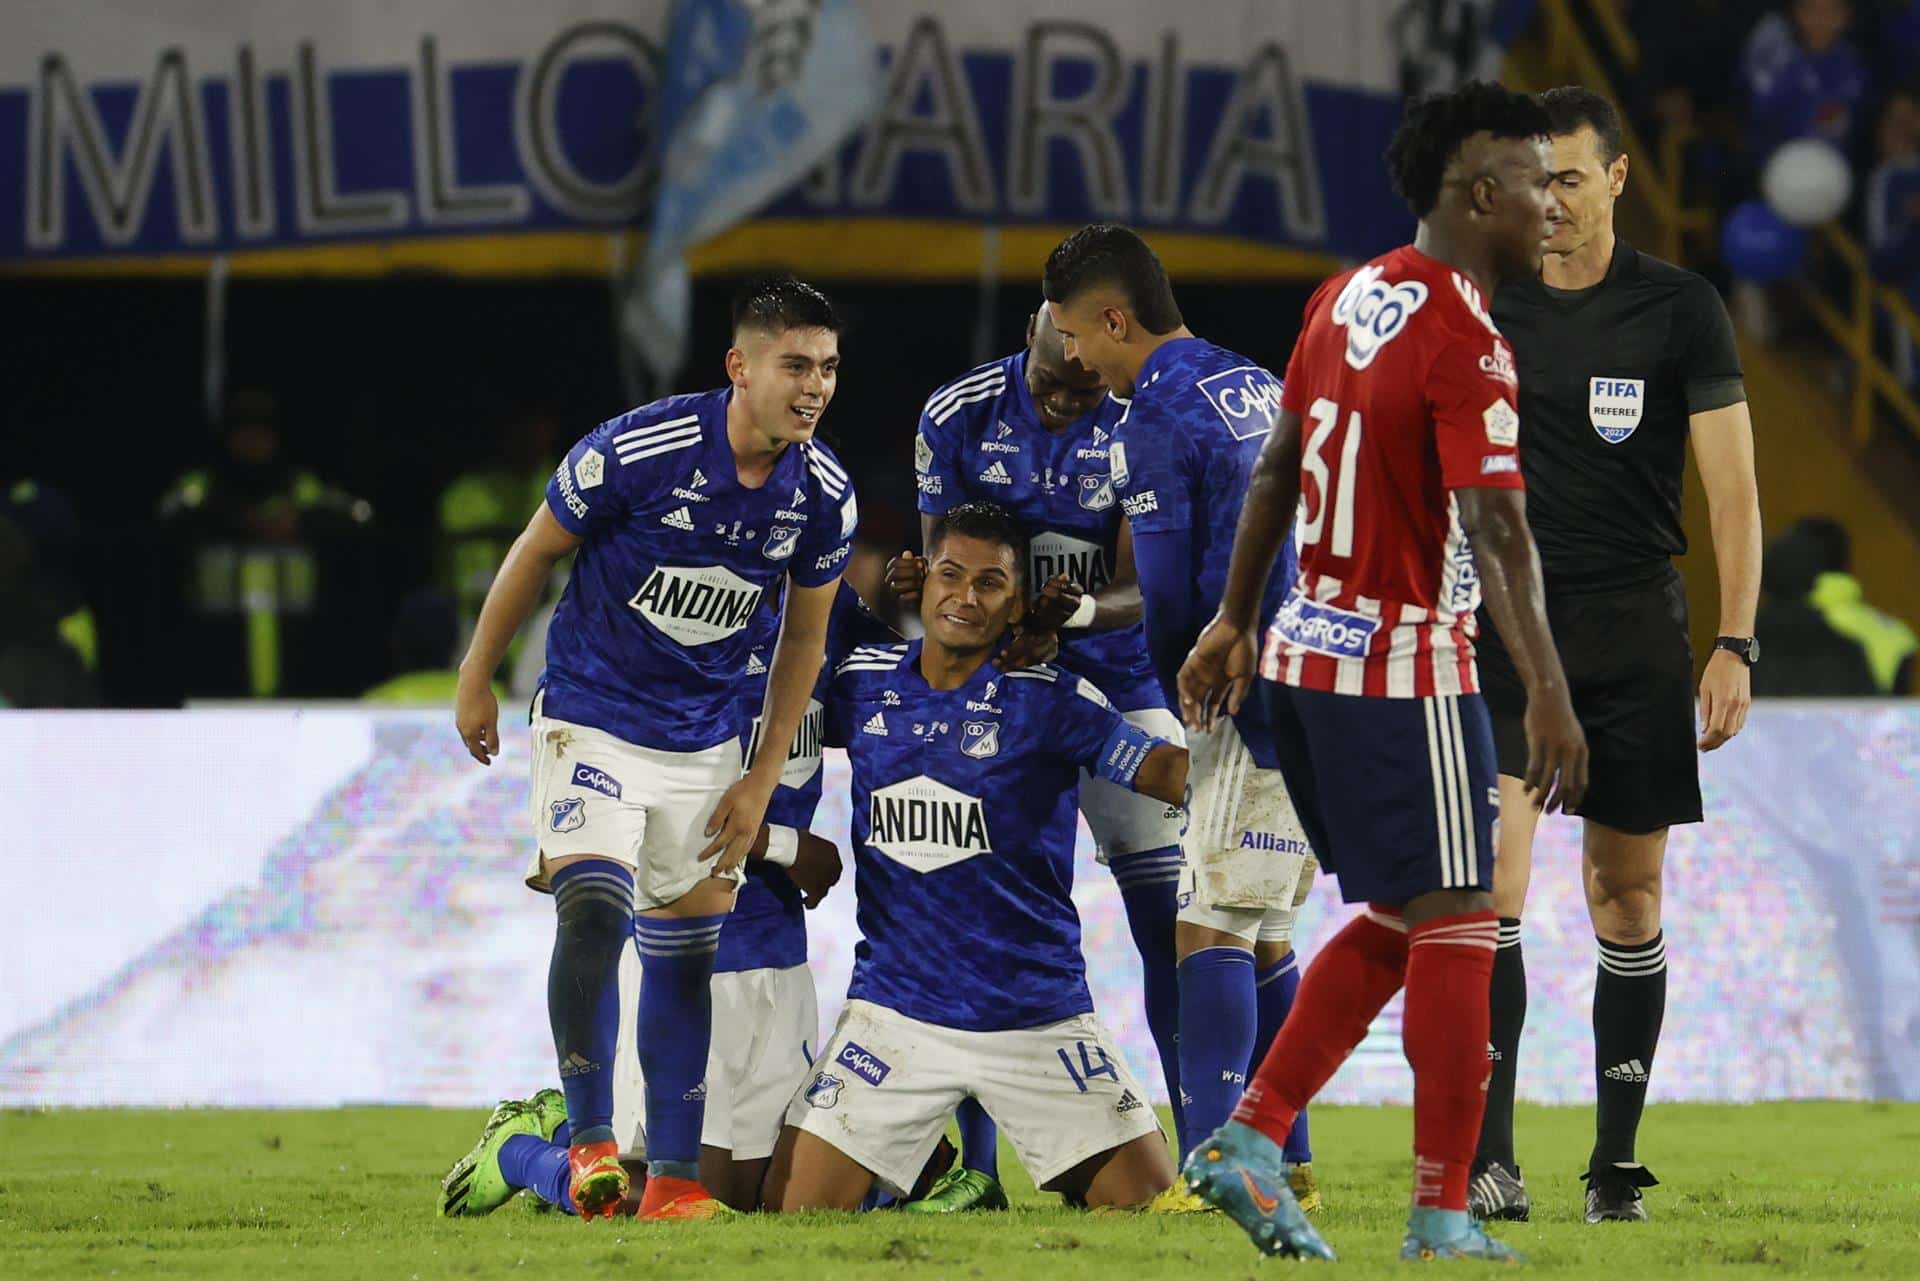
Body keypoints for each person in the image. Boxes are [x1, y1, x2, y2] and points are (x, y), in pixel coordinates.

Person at [1177, 80, 1586, 1263]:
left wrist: (1234, 619)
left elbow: (1274, 470)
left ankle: (1251, 1139)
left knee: (1408, 913)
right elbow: (1499, 533)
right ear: (1477, 192)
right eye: (1534, 182)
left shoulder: (1344, 294)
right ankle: (1444, 1211)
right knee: (1464, 917)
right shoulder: (1468, 337)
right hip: (1406, 661)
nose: (1551, 206)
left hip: (1309, 651)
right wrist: (1549, 693)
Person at [453, 274, 858, 1221]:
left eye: (830, 368)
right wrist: (479, 673)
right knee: (593, 904)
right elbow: (535, 549)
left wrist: (759, 778)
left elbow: (804, 641)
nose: (815, 386)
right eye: (795, 364)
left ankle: (671, 1182)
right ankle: (589, 1140)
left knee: (682, 956)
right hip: (592, 716)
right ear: (739, 365)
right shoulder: (641, 449)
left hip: (709, 742)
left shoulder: (824, 495)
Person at [1466, 86, 1766, 1225]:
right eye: (1533, 183)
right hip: (1507, 632)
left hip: (1638, 633)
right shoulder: (1484, 300)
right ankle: (1491, 1160)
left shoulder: (1680, 310)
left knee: (1625, 899)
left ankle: (1612, 1167)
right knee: (1489, 885)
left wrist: (1735, 641)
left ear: (1621, 178)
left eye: (1572, 182)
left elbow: (1733, 496)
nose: (1550, 205)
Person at [762, 501, 1189, 1213]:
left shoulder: (1050, 698)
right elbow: (798, 618)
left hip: (1037, 1016)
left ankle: (921, 1165)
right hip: (895, 1017)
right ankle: (917, 1161)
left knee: (1149, 1207)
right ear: (920, 579)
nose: (965, 596)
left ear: (1016, 601)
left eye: (989, 583)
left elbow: (1165, 773)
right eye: (951, 574)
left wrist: (1275, 761)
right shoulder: (862, 681)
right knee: (793, 1215)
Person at [439, 582, 885, 1218]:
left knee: (775, 1201)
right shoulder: (668, 619)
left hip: (780, 952)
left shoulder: (825, 603)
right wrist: (787, 845)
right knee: (649, 1201)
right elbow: (660, 800)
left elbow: (919, 684)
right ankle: (525, 1150)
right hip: (680, 954)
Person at [881, 305, 1189, 1211]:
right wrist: (924, 585)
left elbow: (1149, 586)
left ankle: (1213, 1144)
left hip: (1124, 687)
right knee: (975, 915)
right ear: (1031, 332)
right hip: (999, 693)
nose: (1066, 401)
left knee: (1176, 927)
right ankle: (975, 1172)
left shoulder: (1141, 414)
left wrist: (1073, 618)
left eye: (1084, 387)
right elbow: (948, 567)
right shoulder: (957, 414)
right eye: (1053, 384)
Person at [1041, 224, 1322, 1209]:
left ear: (1115, 319)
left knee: (1208, 929)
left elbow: (1166, 597)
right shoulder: (1251, 379)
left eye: (1077, 334)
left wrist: (1185, 709)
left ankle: (1216, 1168)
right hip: (1328, 671)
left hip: (1251, 687)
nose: (1072, 355)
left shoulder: (1151, 416)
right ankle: (1292, 1161)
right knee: (1266, 928)